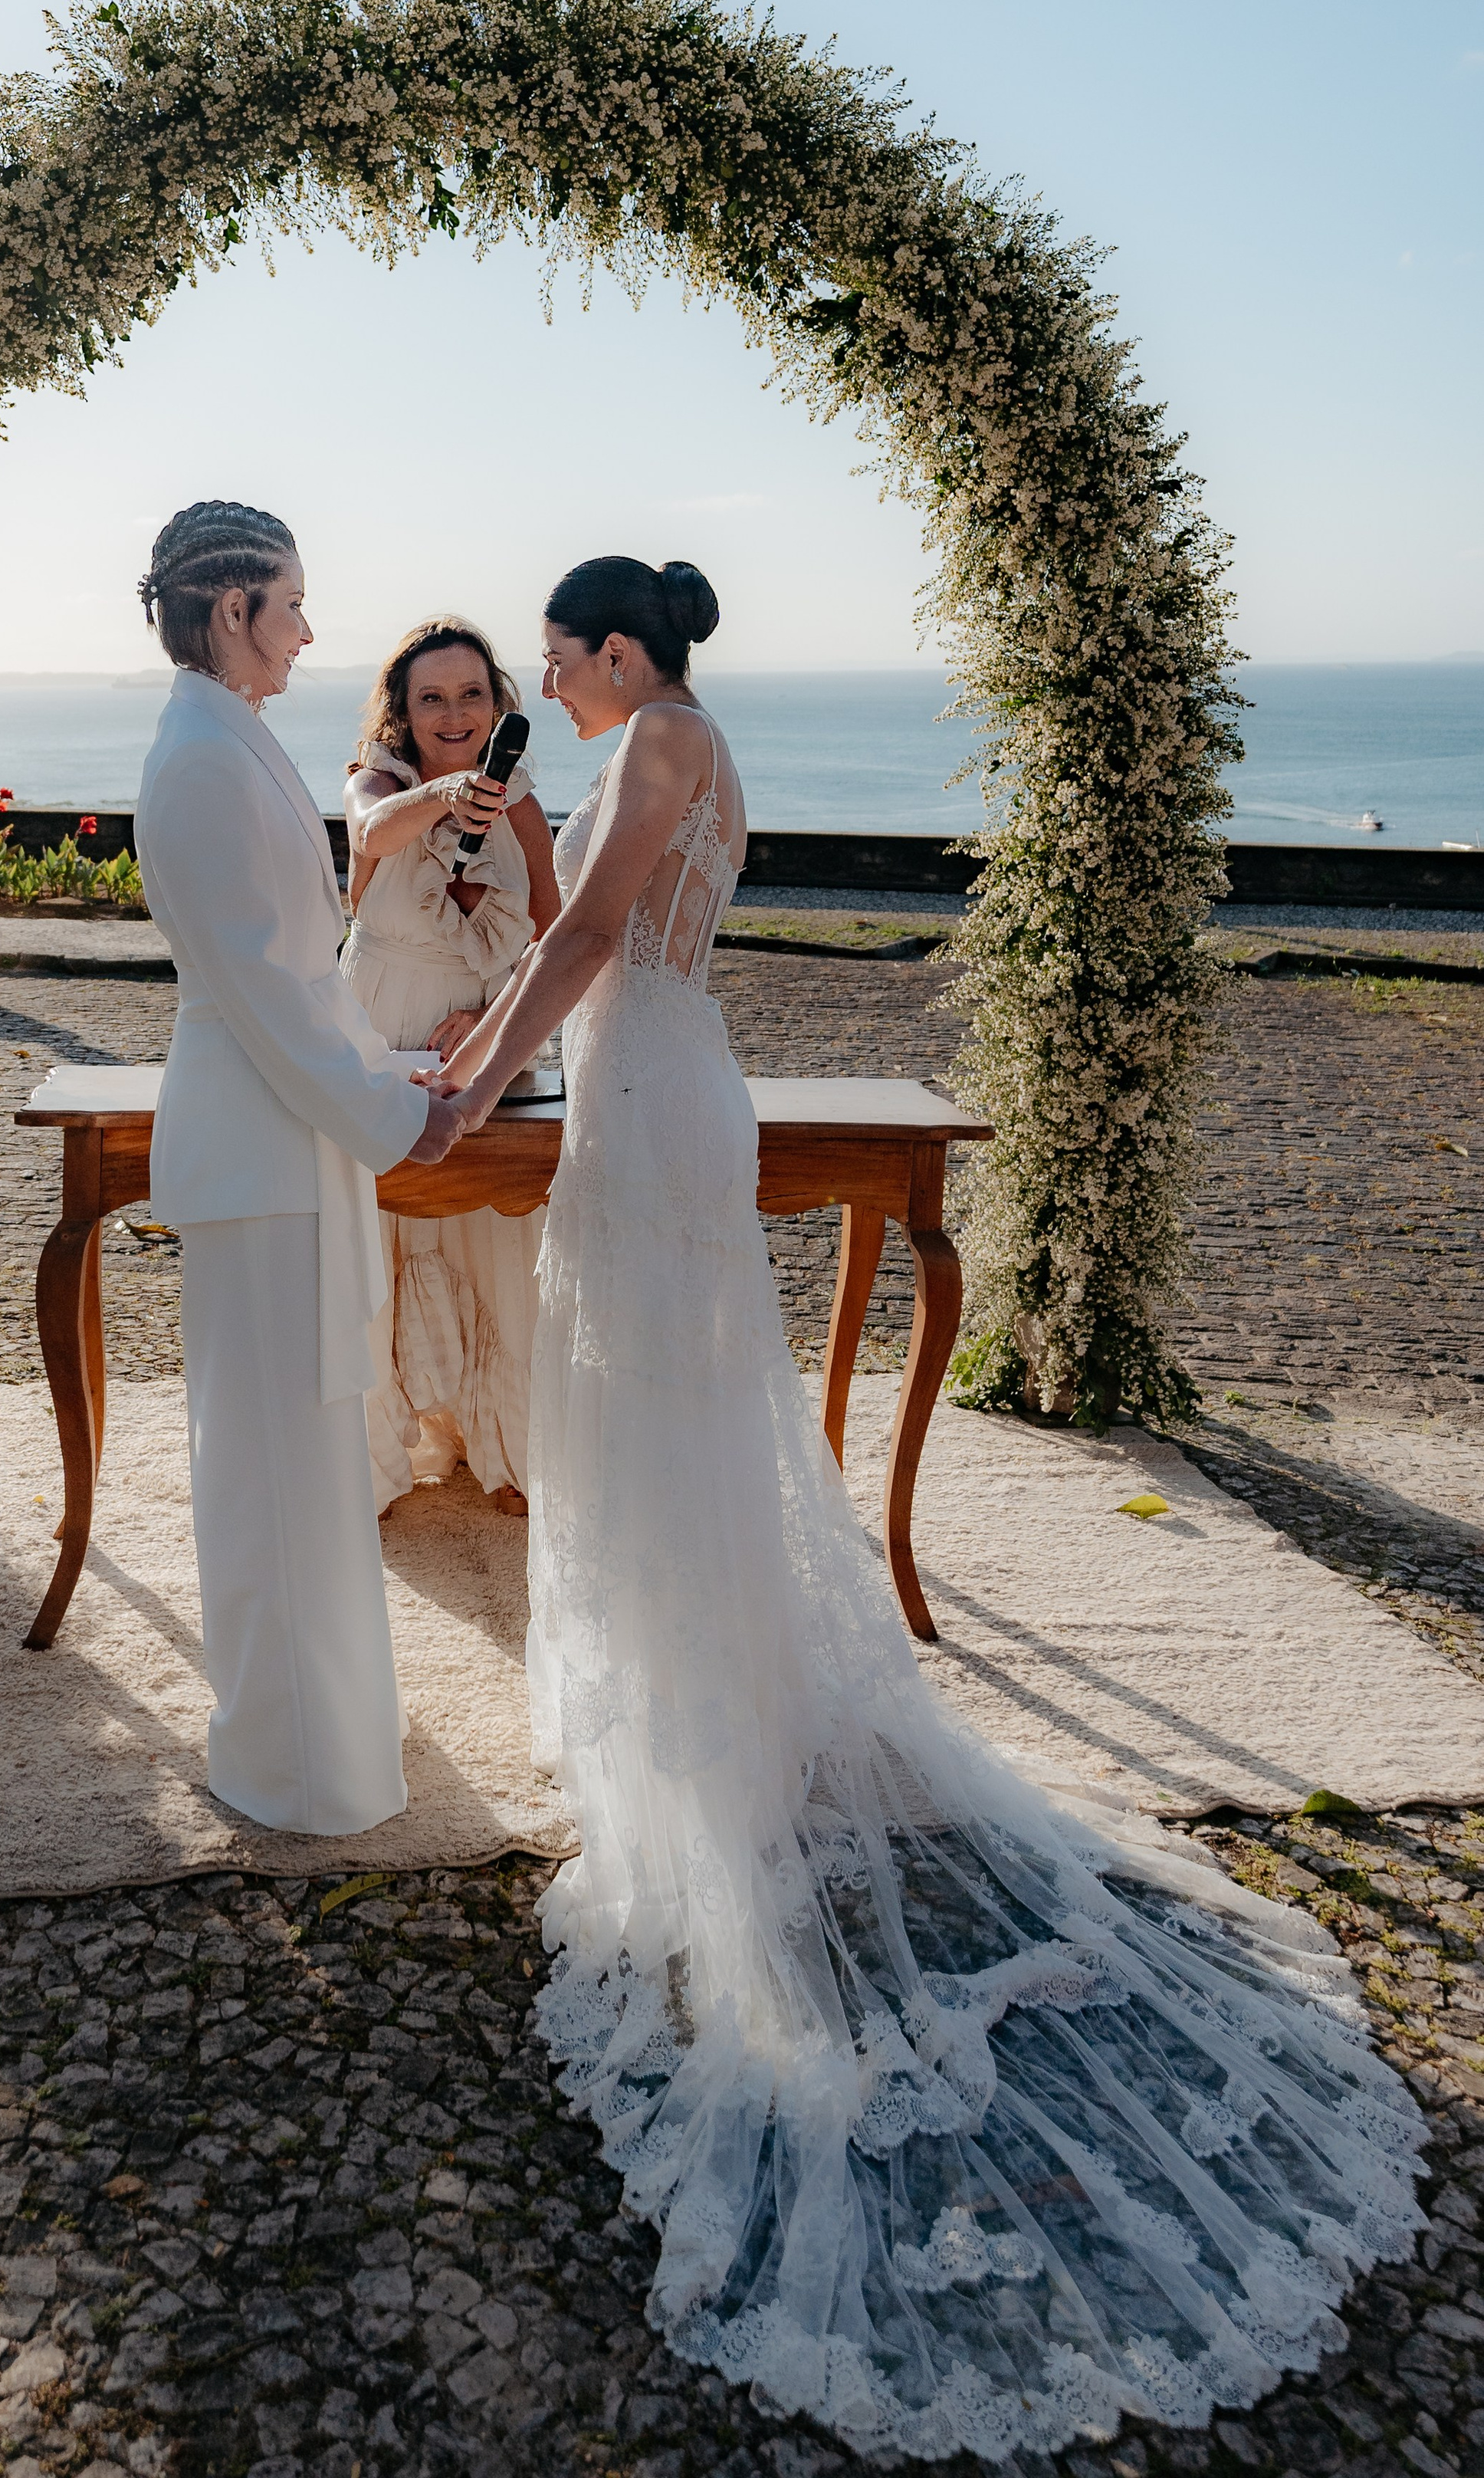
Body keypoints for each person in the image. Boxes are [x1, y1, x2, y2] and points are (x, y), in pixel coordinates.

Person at [437, 556, 1422, 2462]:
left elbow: (583, 960)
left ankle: (712, 1736)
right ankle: (689, 1687)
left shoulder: (657, 736)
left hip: (639, 1093)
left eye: (549, 657)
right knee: (653, 1415)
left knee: (665, 1415)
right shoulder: (650, 745)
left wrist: (478, 1062)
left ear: (612, 651)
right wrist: (521, 859)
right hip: (647, 1075)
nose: (537, 681)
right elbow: (586, 922)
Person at [132, 501, 461, 1837]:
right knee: (271, 1470)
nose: (312, 632)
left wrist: (390, 1080)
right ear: (231, 612)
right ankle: (295, 1765)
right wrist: (399, 1119)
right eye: (293, 604)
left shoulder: (234, 740)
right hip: (260, 1153)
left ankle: (333, 1732)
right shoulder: (204, 761)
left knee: (309, 1459)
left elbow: (304, 984)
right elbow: (265, 992)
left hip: (290, 1136)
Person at [340, 618, 560, 1514]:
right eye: (431, 696)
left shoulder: (525, 806)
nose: (454, 711)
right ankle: (375, 1457)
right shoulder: (376, 782)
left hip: (480, 1030)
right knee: (377, 1229)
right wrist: (450, 793)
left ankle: (500, 1448)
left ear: (497, 702)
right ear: (403, 710)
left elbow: (553, 928)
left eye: (471, 693)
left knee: (491, 1231)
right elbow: (374, 830)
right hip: (379, 1021)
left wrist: (494, 1009)